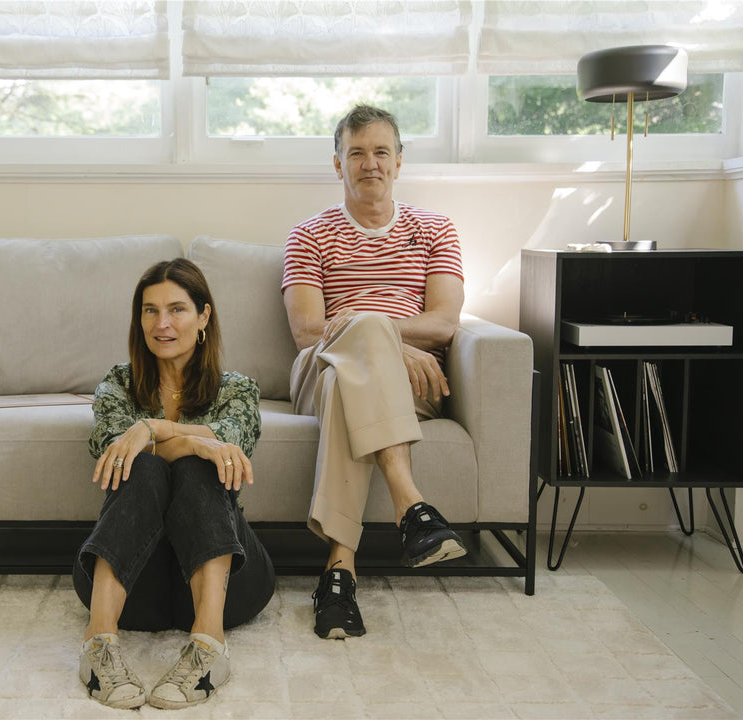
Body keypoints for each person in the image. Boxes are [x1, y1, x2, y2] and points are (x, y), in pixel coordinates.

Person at [282, 104, 467, 640]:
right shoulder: (308, 235)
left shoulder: (435, 229)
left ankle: (338, 574)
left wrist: (380, 342)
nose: (370, 164)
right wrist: (382, 339)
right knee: (347, 360)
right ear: (337, 164)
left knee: (353, 379)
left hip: (412, 384)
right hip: (318, 371)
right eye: (356, 153)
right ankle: (412, 507)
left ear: (399, 162)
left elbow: (446, 323)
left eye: (381, 152)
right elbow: (309, 333)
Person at [73, 258, 275, 710]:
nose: (162, 324)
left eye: (177, 310)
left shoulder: (237, 389)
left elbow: (232, 446)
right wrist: (193, 440)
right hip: (136, 584)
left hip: (226, 584)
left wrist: (153, 430)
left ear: (204, 316)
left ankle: (209, 645)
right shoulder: (117, 384)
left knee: (197, 467)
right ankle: (99, 642)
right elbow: (115, 453)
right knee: (143, 467)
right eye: (149, 311)